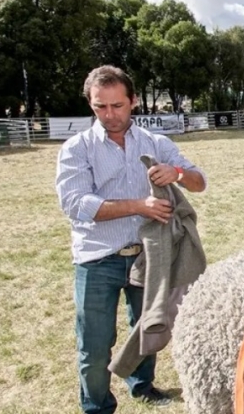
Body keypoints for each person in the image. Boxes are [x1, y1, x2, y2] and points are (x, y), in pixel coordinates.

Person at [55, 65, 207, 414]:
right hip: (97, 258)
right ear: (90, 104)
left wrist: (178, 173)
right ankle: (96, 405)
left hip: (148, 257)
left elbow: (200, 182)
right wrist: (140, 206)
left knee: (147, 327)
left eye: (117, 106)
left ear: (133, 101)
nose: (109, 115)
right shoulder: (76, 149)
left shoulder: (157, 143)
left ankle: (142, 385)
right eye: (99, 107)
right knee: (94, 344)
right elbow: (75, 204)